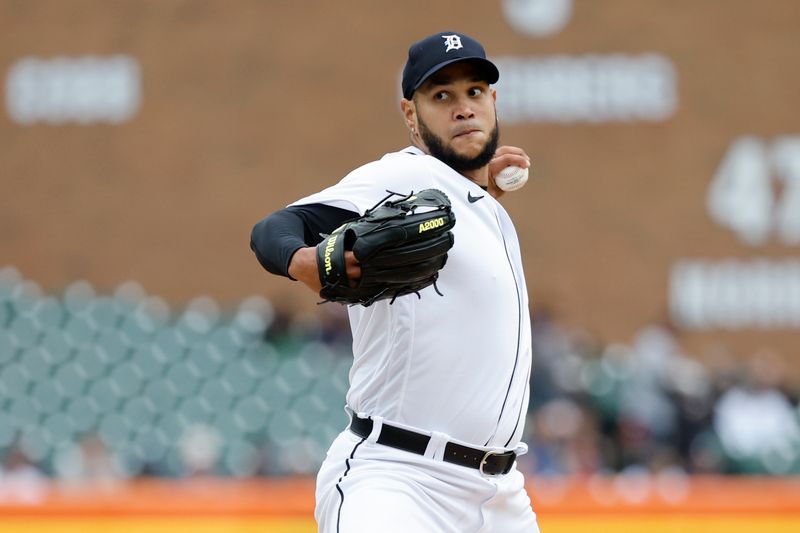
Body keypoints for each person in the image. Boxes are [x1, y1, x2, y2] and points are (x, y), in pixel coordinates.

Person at [250, 30, 539, 533]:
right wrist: (305, 261)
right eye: (441, 96)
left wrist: (477, 187)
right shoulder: (401, 179)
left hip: (501, 497)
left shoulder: (481, 204)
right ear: (411, 116)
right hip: (400, 481)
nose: (463, 108)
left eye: (474, 92)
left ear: (493, 101)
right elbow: (273, 230)